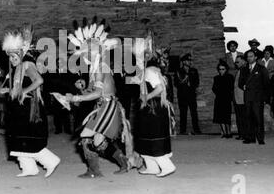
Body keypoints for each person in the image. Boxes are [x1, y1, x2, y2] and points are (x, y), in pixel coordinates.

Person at [65, 17, 140, 178]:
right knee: (97, 141)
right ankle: (123, 163)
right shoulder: (95, 68)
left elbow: (99, 93)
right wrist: (82, 88)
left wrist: (76, 99)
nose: (84, 55)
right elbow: (95, 90)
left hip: (107, 106)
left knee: (86, 137)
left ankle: (94, 171)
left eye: (87, 52)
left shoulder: (99, 67)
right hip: (103, 106)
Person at [0, 25, 60, 177]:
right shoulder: (18, 67)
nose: (11, 60)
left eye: (14, 57)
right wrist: (7, 90)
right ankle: (29, 168)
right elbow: (17, 88)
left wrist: (24, 91)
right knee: (17, 138)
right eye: (10, 57)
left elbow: (39, 80)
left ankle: (51, 161)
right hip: (18, 110)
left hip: (28, 110)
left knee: (28, 138)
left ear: (21, 54)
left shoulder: (27, 64)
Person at [132, 33, 176, 177]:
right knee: (144, 137)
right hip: (149, 109)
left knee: (153, 137)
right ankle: (152, 167)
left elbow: (160, 89)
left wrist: (147, 97)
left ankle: (167, 166)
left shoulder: (150, 71)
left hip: (154, 109)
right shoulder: (145, 71)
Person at [239, 50, 270, 145]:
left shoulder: (261, 69)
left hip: (258, 98)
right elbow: (240, 83)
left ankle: (260, 138)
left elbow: (266, 84)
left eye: (251, 56)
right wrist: (243, 86)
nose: (249, 58)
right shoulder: (243, 69)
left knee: (258, 118)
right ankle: (250, 138)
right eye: (248, 57)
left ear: (255, 57)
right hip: (248, 97)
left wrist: (266, 99)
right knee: (249, 117)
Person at [174, 53, 202, 135]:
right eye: (187, 60)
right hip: (182, 95)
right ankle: (183, 131)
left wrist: (191, 85)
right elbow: (176, 83)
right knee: (183, 113)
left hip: (192, 95)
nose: (190, 62)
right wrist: (184, 84)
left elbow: (197, 82)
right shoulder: (178, 71)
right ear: (183, 61)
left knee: (194, 113)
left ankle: (196, 130)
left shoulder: (194, 70)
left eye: (190, 60)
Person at [212, 61, 234, 138]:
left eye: (223, 69)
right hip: (218, 99)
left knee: (227, 116)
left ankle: (229, 132)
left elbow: (231, 88)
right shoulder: (216, 78)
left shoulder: (230, 77)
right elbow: (214, 88)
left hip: (227, 99)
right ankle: (224, 133)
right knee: (220, 116)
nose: (221, 71)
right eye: (220, 69)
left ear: (226, 69)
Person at [233, 55, 246, 140]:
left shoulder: (245, 70)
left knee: (243, 117)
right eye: (236, 62)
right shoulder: (239, 70)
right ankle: (241, 134)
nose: (236, 63)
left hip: (242, 98)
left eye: (238, 62)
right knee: (239, 117)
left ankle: (244, 135)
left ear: (243, 61)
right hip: (237, 97)